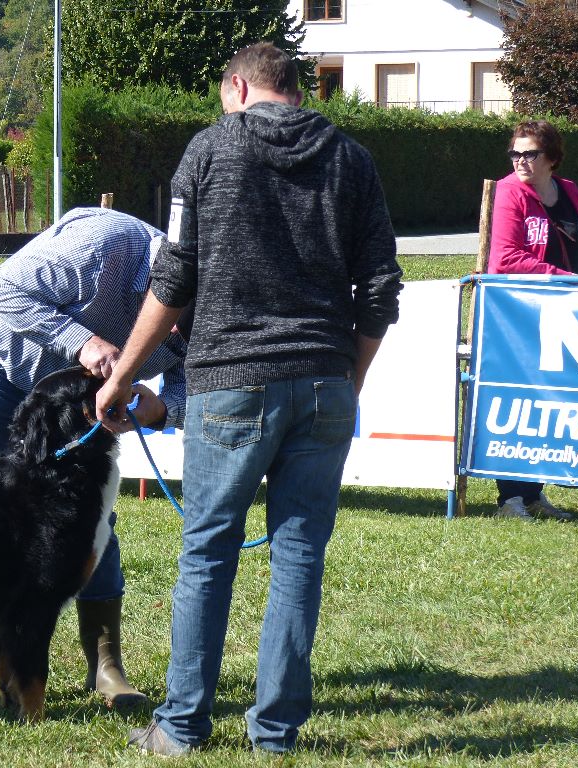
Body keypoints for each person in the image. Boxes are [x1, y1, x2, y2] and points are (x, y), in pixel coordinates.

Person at [96, 42, 402, 755]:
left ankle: (180, 728)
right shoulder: (352, 159)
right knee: (299, 557)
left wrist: (119, 378)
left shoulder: (208, 151)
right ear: (294, 88)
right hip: (324, 382)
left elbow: (173, 280)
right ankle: (275, 735)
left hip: (230, 381)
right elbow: (382, 290)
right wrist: (346, 383)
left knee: (207, 555)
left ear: (237, 86)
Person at [0, 206, 188, 713]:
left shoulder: (214, 302)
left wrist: (162, 407)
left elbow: (194, 379)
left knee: (87, 518)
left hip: (77, 407)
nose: (174, 334)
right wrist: (85, 343)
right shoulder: (104, 244)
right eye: (169, 313)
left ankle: (106, 667)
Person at [488, 119, 578, 522]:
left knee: (548, 398)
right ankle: (509, 500)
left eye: (529, 153)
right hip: (517, 311)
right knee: (515, 396)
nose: (520, 161)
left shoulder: (570, 192)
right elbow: (504, 258)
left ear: (551, 157)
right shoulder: (509, 192)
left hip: (564, 309)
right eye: (515, 153)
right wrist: (566, 279)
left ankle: (533, 495)